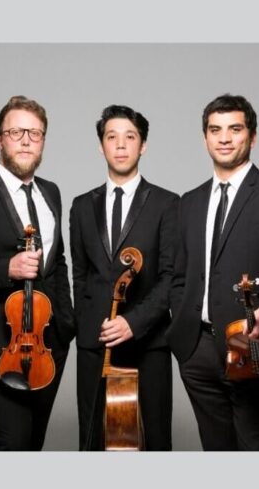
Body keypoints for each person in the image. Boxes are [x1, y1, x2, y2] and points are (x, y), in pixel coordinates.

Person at [168, 94, 259, 450]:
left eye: (235, 129)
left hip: (252, 344)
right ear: (205, 138)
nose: (224, 138)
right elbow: (180, 273)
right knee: (215, 450)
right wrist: (181, 329)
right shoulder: (190, 201)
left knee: (252, 451)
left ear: (252, 137)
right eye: (215, 130)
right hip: (196, 350)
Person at [0, 95, 75, 450]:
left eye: (34, 133)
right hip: (2, 342)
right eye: (16, 131)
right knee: (14, 442)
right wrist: (7, 268)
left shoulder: (51, 192)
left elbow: (58, 260)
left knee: (33, 443)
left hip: (49, 342)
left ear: (43, 142)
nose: (25, 140)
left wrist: (66, 325)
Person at [70, 104, 178, 450]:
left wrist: (133, 322)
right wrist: (88, 325)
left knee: (154, 441)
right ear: (101, 145)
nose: (120, 145)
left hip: (149, 344)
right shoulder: (81, 205)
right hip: (95, 342)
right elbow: (80, 275)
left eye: (129, 137)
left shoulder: (167, 203)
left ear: (142, 145)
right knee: (94, 441)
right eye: (111, 137)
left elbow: (171, 278)